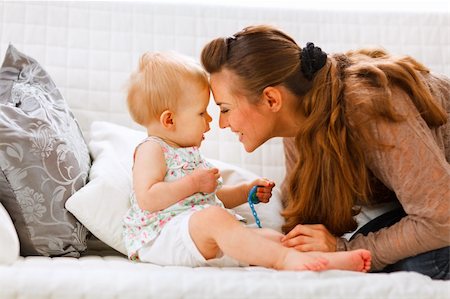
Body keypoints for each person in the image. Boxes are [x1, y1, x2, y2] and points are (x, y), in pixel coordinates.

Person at [200, 25, 450, 279]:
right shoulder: (299, 123)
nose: (222, 123)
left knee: (415, 266)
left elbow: (442, 220)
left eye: (225, 108)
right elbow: (304, 219)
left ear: (272, 99)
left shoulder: (368, 105)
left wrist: (344, 249)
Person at [122, 51, 372, 272]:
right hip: (162, 237)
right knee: (215, 219)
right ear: (169, 120)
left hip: (199, 233)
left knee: (268, 237)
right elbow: (148, 198)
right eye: (201, 112)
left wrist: (245, 192)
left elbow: (214, 197)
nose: (211, 121)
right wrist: (193, 183)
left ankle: (326, 260)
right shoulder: (152, 149)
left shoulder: (188, 155)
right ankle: (284, 260)